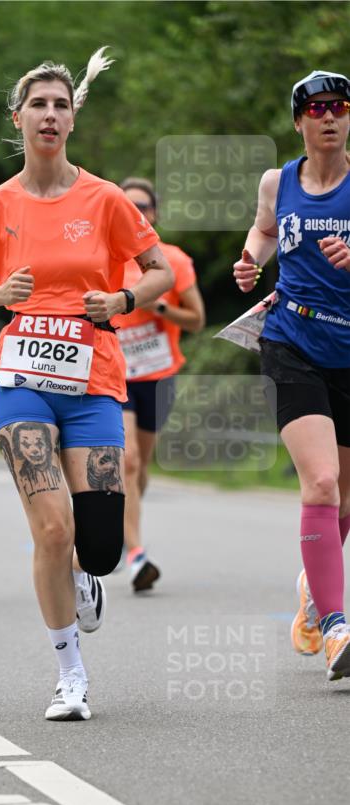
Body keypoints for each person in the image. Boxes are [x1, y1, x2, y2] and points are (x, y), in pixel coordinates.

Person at [0, 48, 173, 720]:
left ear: (73, 119)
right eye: (37, 103)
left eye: (60, 104)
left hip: (93, 378)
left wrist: (122, 300)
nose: (48, 113)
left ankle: (82, 575)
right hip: (19, 380)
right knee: (49, 528)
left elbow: (159, 272)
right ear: (18, 117)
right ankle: (70, 673)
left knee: (94, 547)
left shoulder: (103, 201)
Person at [233, 70, 350, 682]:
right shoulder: (278, 182)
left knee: (344, 502)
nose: (329, 117)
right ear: (300, 120)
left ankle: (313, 588)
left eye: (340, 107)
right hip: (292, 341)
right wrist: (253, 259)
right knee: (323, 484)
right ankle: (336, 629)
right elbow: (264, 229)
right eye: (317, 108)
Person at [113, 178, 205, 591]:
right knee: (128, 460)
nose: (138, 214)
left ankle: (125, 522)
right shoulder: (107, 258)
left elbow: (197, 320)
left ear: (155, 213)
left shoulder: (173, 261)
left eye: (144, 207)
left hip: (159, 373)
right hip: (115, 374)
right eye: (129, 207)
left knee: (141, 466)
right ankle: (135, 554)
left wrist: (161, 305)